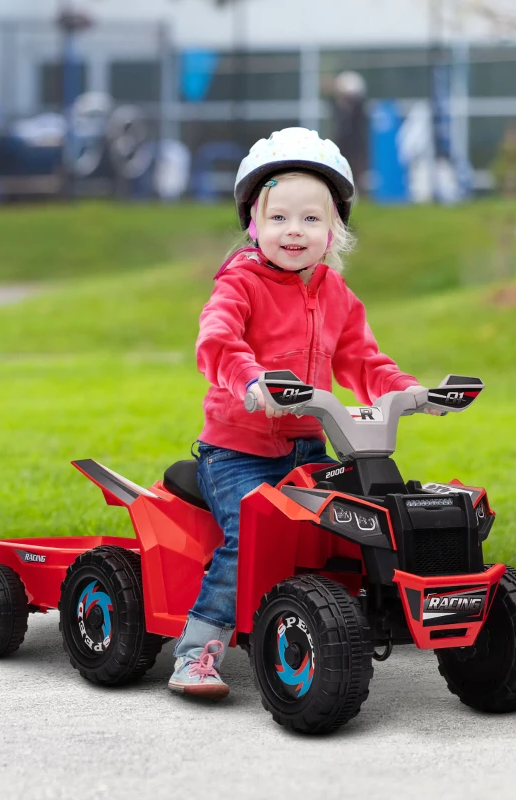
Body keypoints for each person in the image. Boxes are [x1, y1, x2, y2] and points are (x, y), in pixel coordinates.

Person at [168, 127, 432, 699]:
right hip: (237, 451)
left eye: (312, 220)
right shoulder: (240, 283)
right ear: (253, 225)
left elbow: (362, 359)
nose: (295, 231)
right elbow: (216, 341)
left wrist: (405, 390)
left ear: (335, 229)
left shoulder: (335, 292)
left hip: (309, 445)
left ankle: (346, 622)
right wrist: (249, 379)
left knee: (351, 527)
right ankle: (197, 650)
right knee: (248, 538)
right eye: (280, 217)